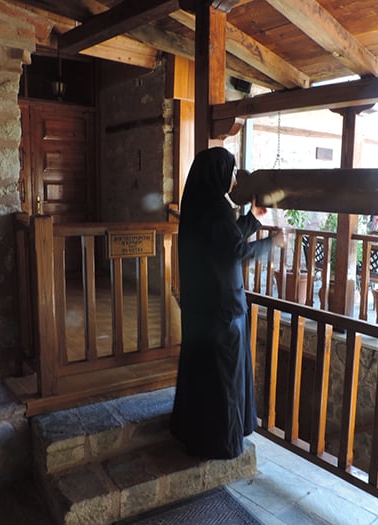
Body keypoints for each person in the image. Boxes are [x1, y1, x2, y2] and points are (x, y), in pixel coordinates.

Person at [171, 147, 284, 459]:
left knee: (204, 373)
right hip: (222, 307)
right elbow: (236, 251)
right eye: (232, 170)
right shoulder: (217, 207)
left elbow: (224, 239)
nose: (234, 178)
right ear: (218, 172)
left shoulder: (197, 202)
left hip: (201, 305)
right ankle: (221, 442)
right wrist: (272, 242)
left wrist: (253, 219)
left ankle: (198, 435)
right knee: (224, 375)